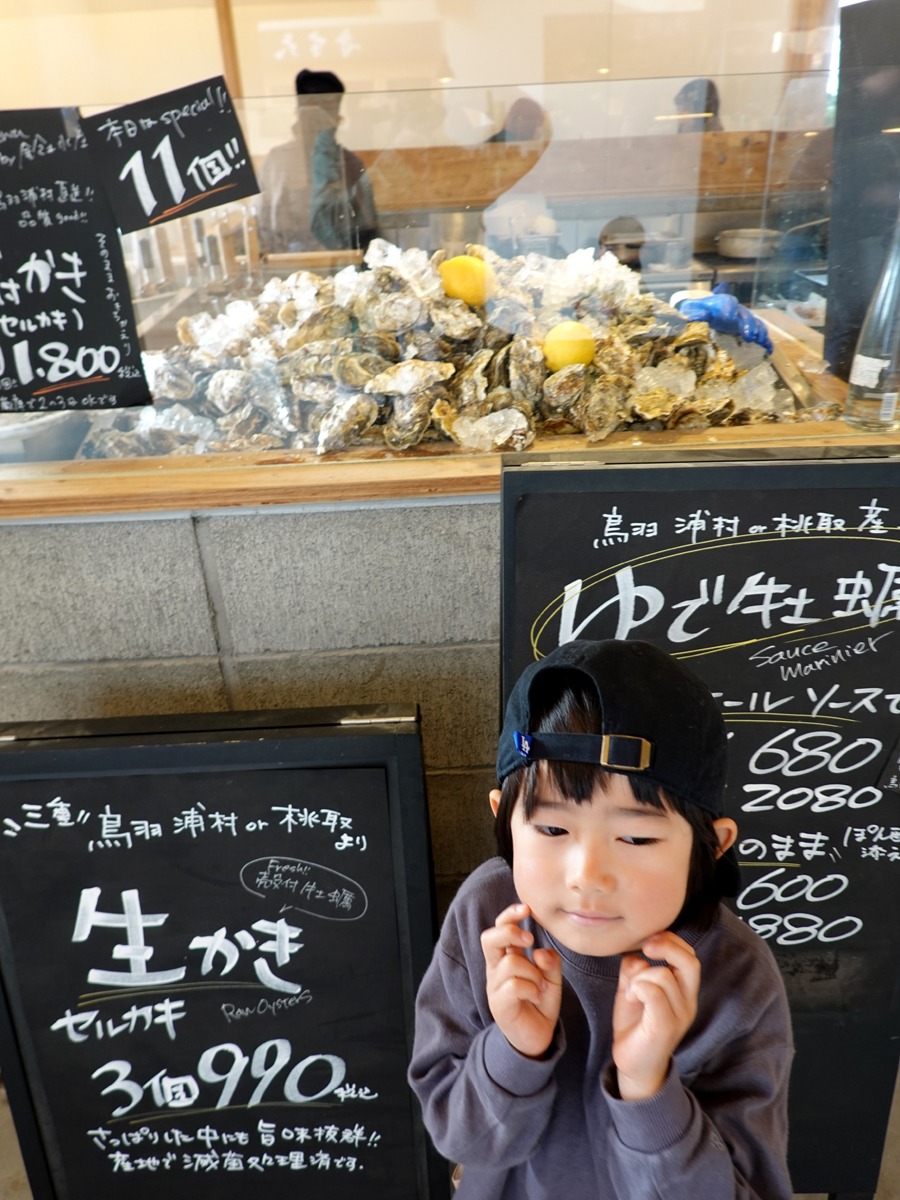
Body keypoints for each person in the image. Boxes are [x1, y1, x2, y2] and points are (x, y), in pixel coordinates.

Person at [408, 638, 793, 1200]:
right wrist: (514, 1051)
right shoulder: (489, 920)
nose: (587, 875)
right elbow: (461, 1140)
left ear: (711, 846)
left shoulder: (736, 977)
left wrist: (648, 1087)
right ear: (503, 818)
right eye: (552, 830)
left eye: (636, 836)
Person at [256, 69, 379, 255]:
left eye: (326, 113)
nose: (319, 123)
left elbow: (367, 232)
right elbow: (261, 227)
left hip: (341, 271)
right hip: (287, 270)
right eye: (314, 113)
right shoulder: (278, 161)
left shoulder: (349, 163)